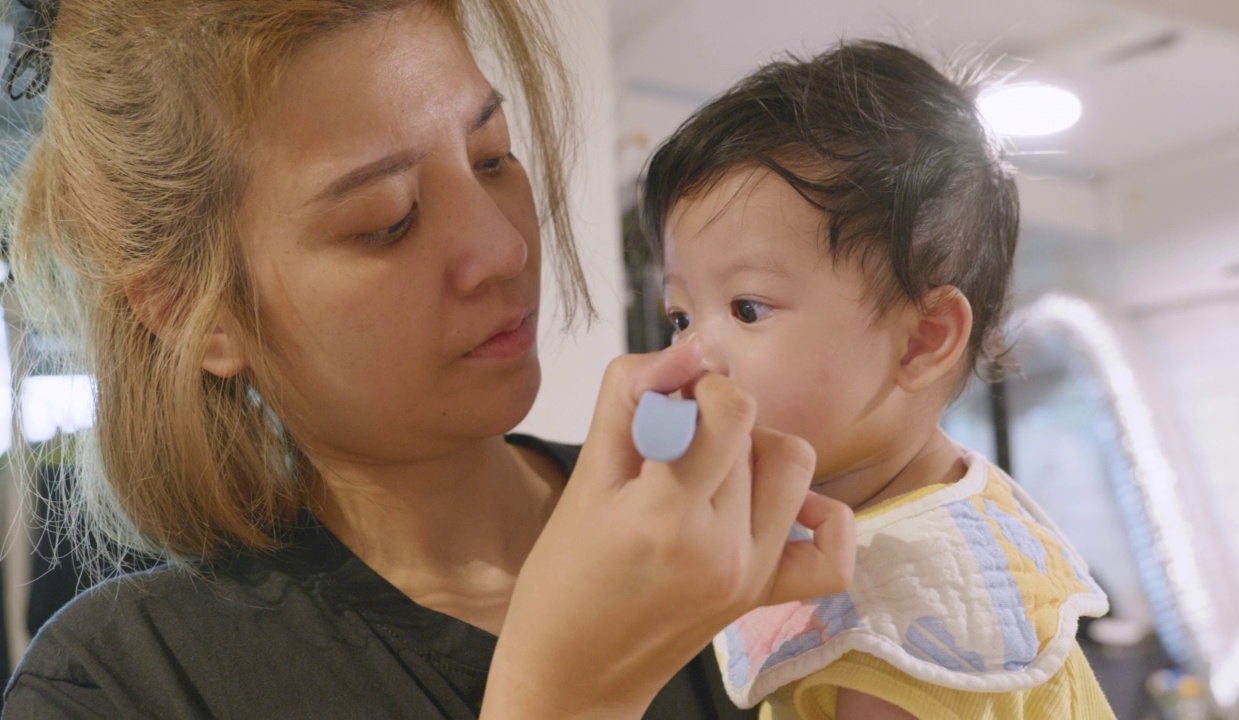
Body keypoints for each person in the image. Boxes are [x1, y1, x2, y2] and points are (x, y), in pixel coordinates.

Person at [0, 1, 859, 717]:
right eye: (387, 218)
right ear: (196, 309)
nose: (502, 248)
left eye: (493, 159)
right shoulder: (123, 685)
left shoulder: (719, 534)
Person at [642, 41, 1116, 719]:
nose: (691, 357)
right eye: (681, 316)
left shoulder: (908, 600)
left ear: (922, 340)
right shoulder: (950, 503)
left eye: (747, 309)